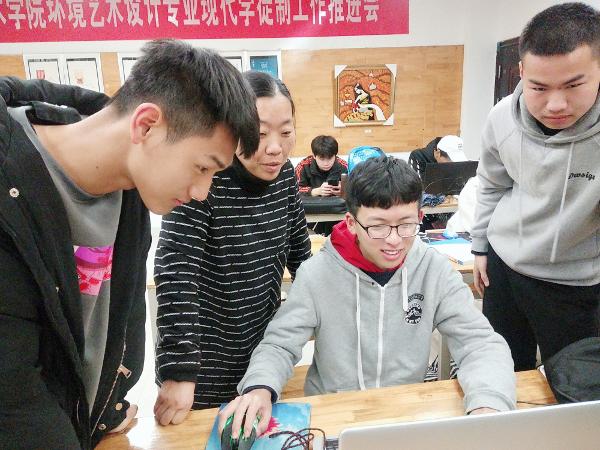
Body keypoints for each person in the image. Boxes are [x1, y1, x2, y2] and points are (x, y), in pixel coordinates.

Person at [0, 40, 259, 449]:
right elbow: (13, 396)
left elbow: (108, 322)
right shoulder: (11, 190)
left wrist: (104, 405)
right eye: (202, 167)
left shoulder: (131, 189)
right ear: (147, 125)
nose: (202, 192)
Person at [219, 156, 516, 439]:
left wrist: (487, 405)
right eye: (378, 226)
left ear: (420, 217)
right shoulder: (317, 274)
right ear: (351, 222)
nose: (394, 240)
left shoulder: (433, 269)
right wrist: (260, 387)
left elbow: (480, 344)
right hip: (333, 417)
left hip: (405, 416)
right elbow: (279, 344)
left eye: (406, 225)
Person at [153, 71, 312, 424]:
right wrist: (179, 370)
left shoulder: (285, 176)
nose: (275, 147)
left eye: (286, 133)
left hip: (263, 360)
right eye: (260, 133)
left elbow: (301, 257)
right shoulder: (203, 177)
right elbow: (176, 271)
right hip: (203, 366)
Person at [471, 3, 600, 371]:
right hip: (504, 267)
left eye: (573, 85)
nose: (556, 104)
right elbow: (492, 184)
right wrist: (480, 246)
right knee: (504, 369)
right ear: (522, 71)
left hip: (577, 282)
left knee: (575, 382)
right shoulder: (501, 118)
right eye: (539, 87)